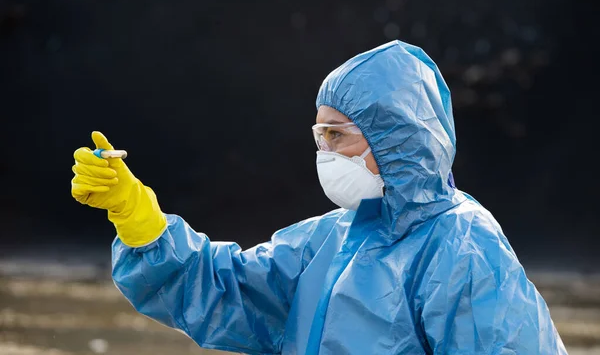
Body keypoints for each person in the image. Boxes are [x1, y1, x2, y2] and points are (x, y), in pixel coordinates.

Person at [71, 40, 567, 354]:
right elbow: (226, 291)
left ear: (395, 137)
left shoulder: (461, 245)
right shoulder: (330, 239)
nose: (324, 151)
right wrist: (137, 213)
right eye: (319, 136)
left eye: (338, 135)